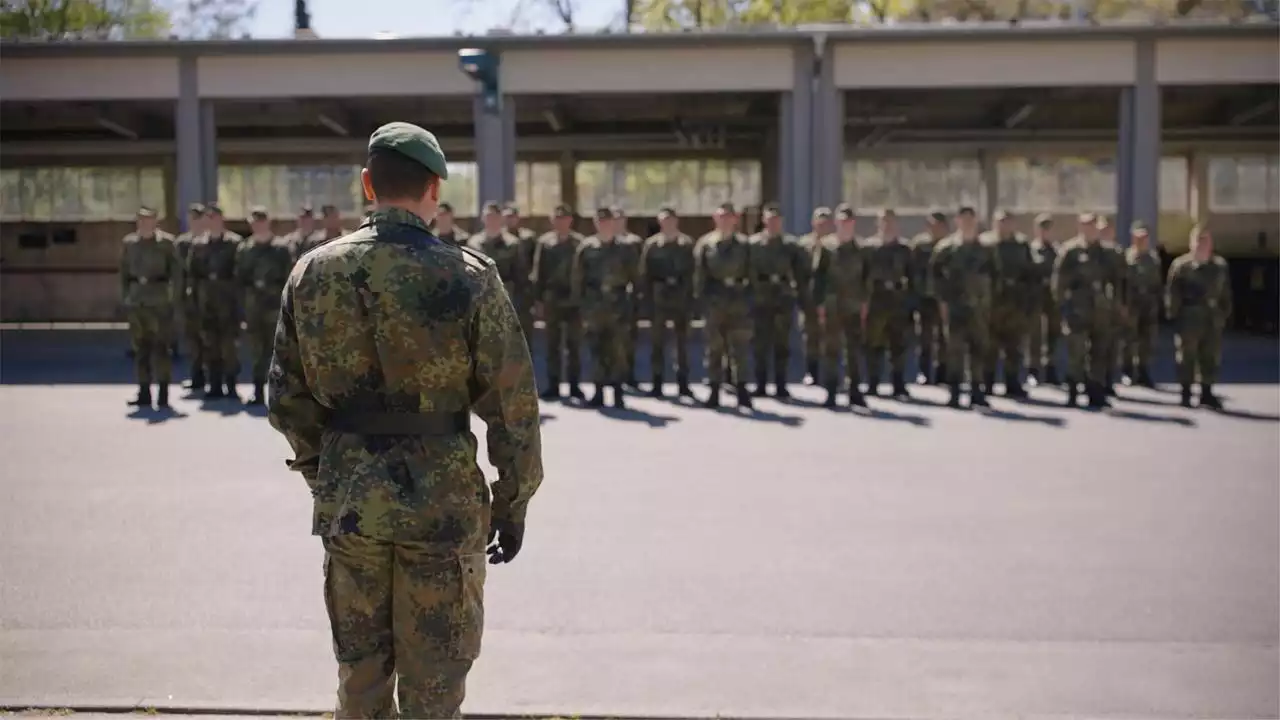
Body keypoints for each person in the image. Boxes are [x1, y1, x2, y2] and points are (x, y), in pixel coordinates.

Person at [267, 121, 543, 718]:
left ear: (367, 185)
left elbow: (285, 397)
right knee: (436, 684)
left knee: (360, 677)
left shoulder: (312, 273)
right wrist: (513, 502)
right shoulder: (468, 274)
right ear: (434, 189)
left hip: (351, 501)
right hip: (443, 504)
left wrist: (330, 478)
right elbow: (513, 407)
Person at [929, 205, 996, 409]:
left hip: (979, 308)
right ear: (957, 221)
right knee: (955, 351)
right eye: (963, 219)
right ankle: (955, 392)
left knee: (978, 349)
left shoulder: (986, 250)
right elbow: (934, 278)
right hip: (955, 307)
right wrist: (942, 302)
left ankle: (977, 391)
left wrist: (989, 302)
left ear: (975, 222)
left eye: (970, 219)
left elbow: (996, 276)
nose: (967, 223)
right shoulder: (946, 249)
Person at [1052, 213, 1119, 409]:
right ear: (1080, 228)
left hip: (1101, 311)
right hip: (1077, 311)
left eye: (1092, 226)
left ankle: (1095, 392)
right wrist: (1063, 306)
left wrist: (1115, 305)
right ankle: (1073, 391)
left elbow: (1117, 280)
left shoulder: (1107, 253)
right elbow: (1059, 282)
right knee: (1076, 352)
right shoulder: (1070, 251)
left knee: (1099, 353)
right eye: (1085, 226)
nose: (1089, 230)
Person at [572, 207, 635, 408]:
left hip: (617, 304)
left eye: (608, 221)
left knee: (617, 350)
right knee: (595, 350)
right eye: (601, 221)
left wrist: (632, 304)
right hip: (594, 305)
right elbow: (577, 279)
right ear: (596, 224)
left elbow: (636, 277)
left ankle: (618, 392)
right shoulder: (586, 248)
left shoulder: (626, 248)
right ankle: (598, 392)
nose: (605, 225)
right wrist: (581, 307)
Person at [1165, 225, 1232, 409]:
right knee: (1187, 356)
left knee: (1210, 356)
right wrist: (1173, 314)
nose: (1203, 244)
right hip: (1189, 317)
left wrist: (1224, 314)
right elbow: (1173, 292)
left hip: (1211, 318)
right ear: (1191, 243)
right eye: (1199, 240)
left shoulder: (1219, 266)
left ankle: (1207, 392)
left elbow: (1225, 293)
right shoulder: (1181, 266)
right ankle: (1185, 393)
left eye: (1206, 240)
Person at [695, 202, 754, 410]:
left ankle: (742, 390)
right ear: (715, 219)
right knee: (714, 348)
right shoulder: (706, 244)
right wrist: (701, 301)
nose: (725, 221)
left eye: (729, 217)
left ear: (735, 219)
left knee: (740, 348)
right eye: (721, 217)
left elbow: (751, 274)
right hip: (714, 301)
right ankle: (714, 390)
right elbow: (700, 275)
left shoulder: (744, 245)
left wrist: (749, 299)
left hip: (738, 300)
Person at [119, 206, 179, 409]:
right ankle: (144, 391)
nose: (145, 223)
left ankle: (163, 393)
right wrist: (126, 296)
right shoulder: (129, 243)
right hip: (137, 300)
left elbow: (177, 273)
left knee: (161, 348)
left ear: (156, 221)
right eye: (141, 220)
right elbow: (123, 273)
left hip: (160, 299)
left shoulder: (167, 243)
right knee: (140, 349)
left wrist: (174, 298)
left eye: (149, 220)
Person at [811, 203, 869, 408]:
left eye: (849, 221)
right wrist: (818, 305)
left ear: (854, 223)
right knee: (831, 350)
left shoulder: (861, 249)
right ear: (836, 222)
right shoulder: (826, 247)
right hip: (831, 306)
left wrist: (864, 303)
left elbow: (866, 279)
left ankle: (855, 390)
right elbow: (818, 276)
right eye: (842, 221)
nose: (845, 225)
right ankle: (831, 391)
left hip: (853, 305)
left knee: (854, 350)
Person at [236, 206, 293, 406]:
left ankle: (278, 394)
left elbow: (290, 278)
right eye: (255, 222)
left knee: (278, 351)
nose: (258, 225)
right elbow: (239, 280)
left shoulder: (281, 249)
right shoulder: (245, 249)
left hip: (275, 307)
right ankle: (258, 391)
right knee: (256, 351)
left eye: (261, 221)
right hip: (254, 307)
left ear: (268, 222)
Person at [747, 204, 805, 399]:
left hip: (783, 298)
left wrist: (799, 295)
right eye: (770, 220)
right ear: (764, 221)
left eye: (777, 221)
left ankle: (781, 384)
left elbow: (801, 273)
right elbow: (746, 271)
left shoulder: (791, 245)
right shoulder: (753, 244)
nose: (773, 224)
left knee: (782, 345)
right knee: (760, 344)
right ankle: (760, 384)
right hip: (760, 298)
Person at [187, 202, 244, 399]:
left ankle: (231, 385)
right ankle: (215, 385)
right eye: (209, 218)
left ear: (222, 219)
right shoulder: (198, 244)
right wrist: (193, 301)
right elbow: (192, 275)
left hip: (227, 302)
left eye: (215, 218)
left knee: (229, 347)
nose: (212, 222)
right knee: (210, 345)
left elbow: (240, 274)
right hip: (207, 301)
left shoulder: (234, 243)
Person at [639, 206, 695, 398]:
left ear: (676, 221)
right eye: (664, 221)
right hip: (659, 298)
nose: (668, 224)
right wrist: (646, 301)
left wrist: (692, 299)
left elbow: (693, 273)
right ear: (659, 223)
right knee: (657, 343)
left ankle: (683, 383)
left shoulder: (687, 244)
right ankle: (657, 383)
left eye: (671, 220)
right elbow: (645, 274)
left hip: (681, 298)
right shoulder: (652, 245)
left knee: (682, 344)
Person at [531, 204, 585, 400]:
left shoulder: (580, 243)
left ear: (570, 221)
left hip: (574, 301)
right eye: (558, 219)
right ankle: (553, 385)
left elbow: (585, 273)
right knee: (552, 346)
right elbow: (539, 273)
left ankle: (574, 386)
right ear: (552, 221)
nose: (561, 222)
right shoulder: (545, 243)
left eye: (565, 218)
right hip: (552, 299)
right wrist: (538, 300)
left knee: (574, 345)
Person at [862, 209, 914, 399]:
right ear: (878, 224)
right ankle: (873, 383)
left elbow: (913, 278)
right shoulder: (868, 248)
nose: (887, 226)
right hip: (876, 299)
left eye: (891, 222)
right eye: (884, 222)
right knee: (873, 344)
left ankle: (898, 383)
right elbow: (863, 276)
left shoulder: (905, 250)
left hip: (898, 300)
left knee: (898, 345)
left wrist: (911, 303)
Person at [983, 210, 1034, 398]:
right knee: (989, 346)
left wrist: (1028, 302)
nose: (1004, 226)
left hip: (1015, 303)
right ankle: (986, 383)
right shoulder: (986, 244)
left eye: (1007, 222)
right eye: (1000, 222)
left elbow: (1031, 274)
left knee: (1014, 346)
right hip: (992, 303)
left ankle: (1012, 382)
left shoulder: (1021, 245)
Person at [469, 202, 529, 348]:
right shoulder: (474, 243)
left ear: (501, 219)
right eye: (488, 216)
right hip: (481, 302)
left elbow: (521, 276)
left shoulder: (513, 244)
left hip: (507, 301)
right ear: (483, 218)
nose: (492, 220)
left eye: (495, 217)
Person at [910, 209, 949, 385]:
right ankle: (924, 371)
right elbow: (912, 269)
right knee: (924, 336)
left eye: (938, 225)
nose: (934, 229)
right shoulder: (920, 245)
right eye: (931, 225)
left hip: (944, 298)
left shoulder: (949, 245)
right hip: (925, 296)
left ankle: (943, 372)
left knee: (944, 336)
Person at [174, 203, 209, 392]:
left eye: (199, 218)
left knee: (211, 338)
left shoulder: (210, 242)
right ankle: (197, 376)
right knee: (192, 339)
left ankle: (214, 377)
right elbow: (178, 273)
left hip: (208, 298)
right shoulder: (181, 243)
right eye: (192, 218)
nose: (195, 222)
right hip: (189, 299)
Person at [1124, 220, 1163, 388]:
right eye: (1138, 237)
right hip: (1131, 304)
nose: (1141, 241)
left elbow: (1157, 283)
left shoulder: (1152, 259)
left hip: (1148, 304)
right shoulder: (1126, 257)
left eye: (1144, 237)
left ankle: (1143, 370)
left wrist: (1158, 303)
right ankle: (1127, 371)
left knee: (1147, 339)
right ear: (1133, 238)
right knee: (1129, 339)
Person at [798, 207, 834, 385]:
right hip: (809, 297)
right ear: (813, 223)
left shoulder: (835, 245)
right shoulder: (804, 244)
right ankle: (811, 372)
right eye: (819, 223)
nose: (822, 226)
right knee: (811, 336)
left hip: (831, 298)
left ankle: (830, 373)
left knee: (831, 337)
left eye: (826, 223)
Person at [611, 205, 645, 388]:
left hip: (628, 298)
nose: (617, 222)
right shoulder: (604, 242)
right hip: (608, 300)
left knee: (629, 338)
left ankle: (628, 373)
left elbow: (640, 269)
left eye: (620, 218)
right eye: (613, 219)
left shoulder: (634, 242)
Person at [1026, 213, 1061, 387]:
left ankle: (1050, 367)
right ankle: (1033, 369)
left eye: (1048, 229)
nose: (1045, 232)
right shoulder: (1031, 250)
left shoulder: (1058, 251)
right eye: (1042, 228)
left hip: (1052, 297)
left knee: (1053, 333)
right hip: (1035, 295)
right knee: (1035, 334)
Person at [502, 203, 539, 352]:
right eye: (507, 217)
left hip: (523, 292)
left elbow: (535, 264)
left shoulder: (528, 238)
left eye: (512, 216)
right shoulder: (500, 238)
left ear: (518, 218)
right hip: (504, 292)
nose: (510, 220)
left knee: (524, 334)